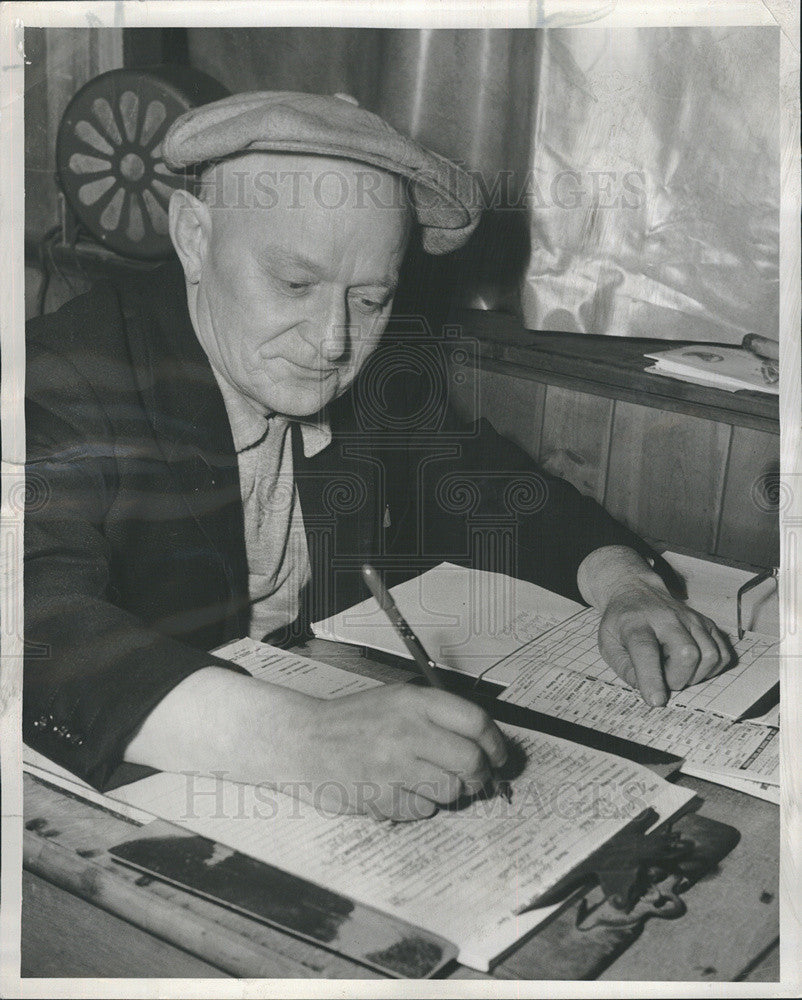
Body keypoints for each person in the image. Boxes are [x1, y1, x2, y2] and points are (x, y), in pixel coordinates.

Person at [24, 92, 732, 821]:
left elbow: (486, 484)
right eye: (294, 283)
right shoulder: (67, 373)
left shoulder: (368, 374)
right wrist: (303, 740)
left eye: (369, 301)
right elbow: (29, 625)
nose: (333, 340)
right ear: (194, 237)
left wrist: (626, 584)